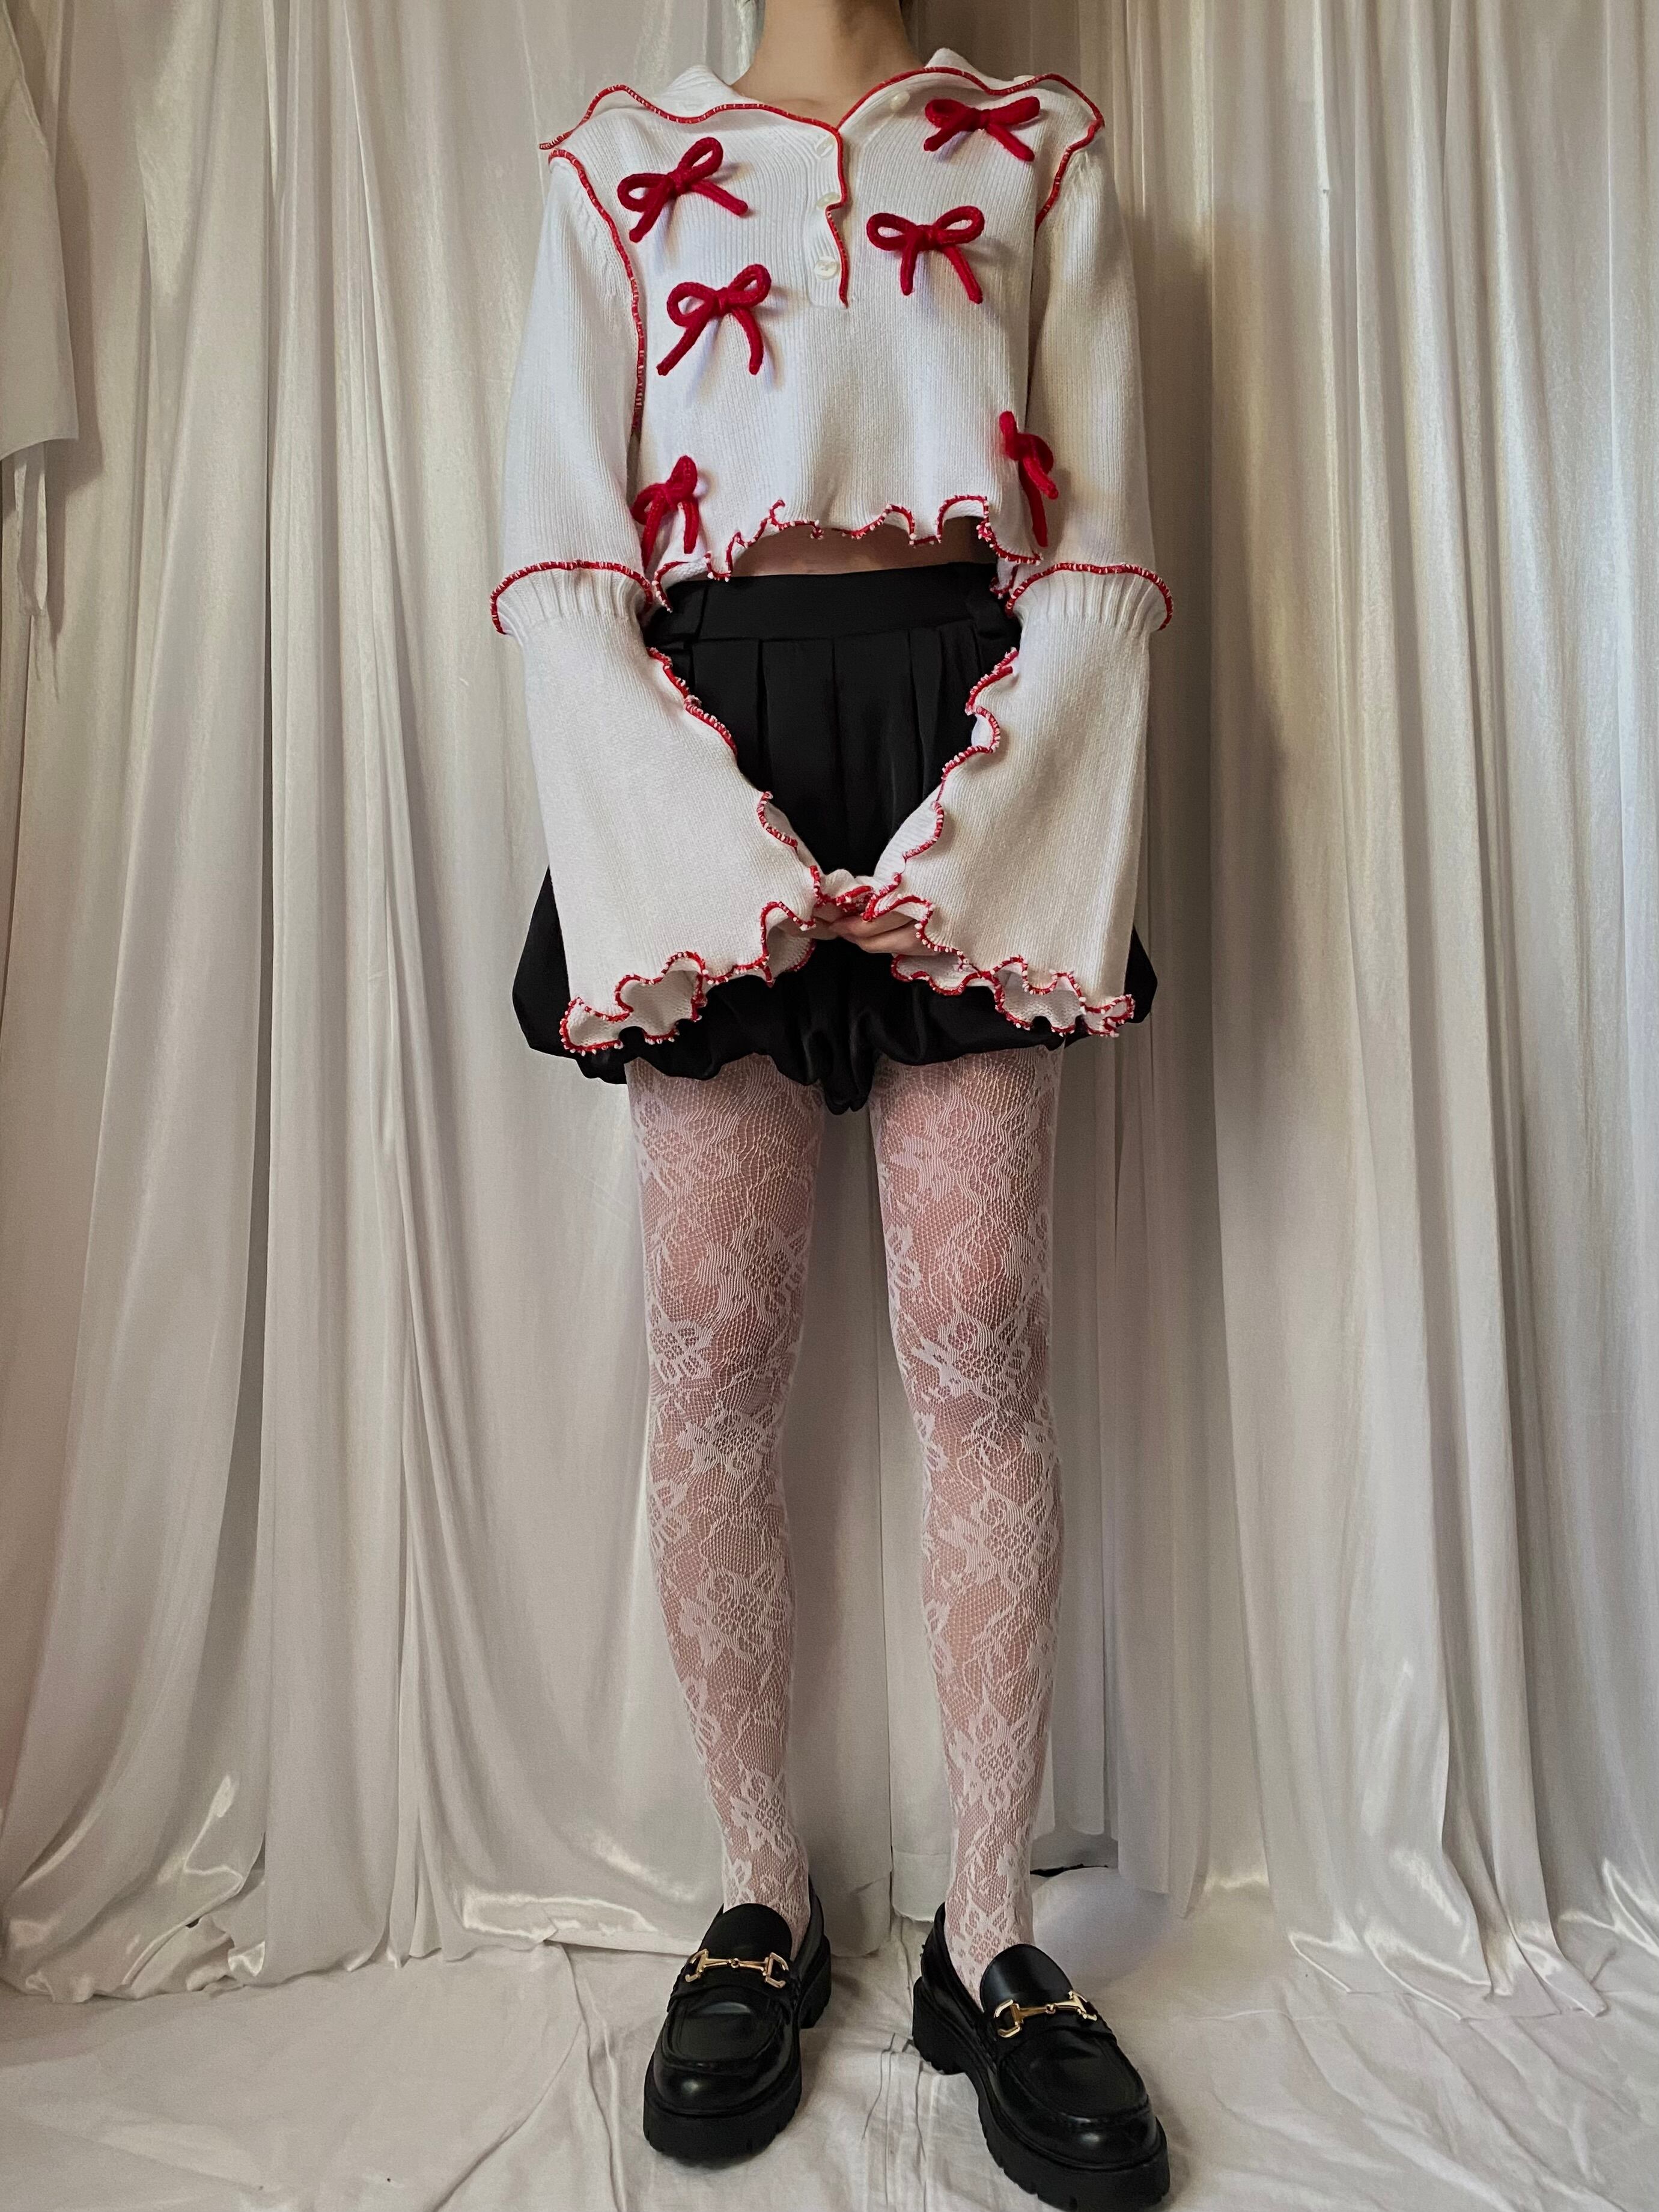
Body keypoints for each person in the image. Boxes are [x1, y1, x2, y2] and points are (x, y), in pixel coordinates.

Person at [495, 2, 1172, 2203]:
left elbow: (1105, 550)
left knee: (979, 1331)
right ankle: (759, 1901)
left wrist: (987, 838)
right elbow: (561, 556)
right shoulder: (612, 167)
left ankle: (988, 1942)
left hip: (980, 742)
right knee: (715, 1348)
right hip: (700, 758)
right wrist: (716, 857)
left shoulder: (1037, 150)